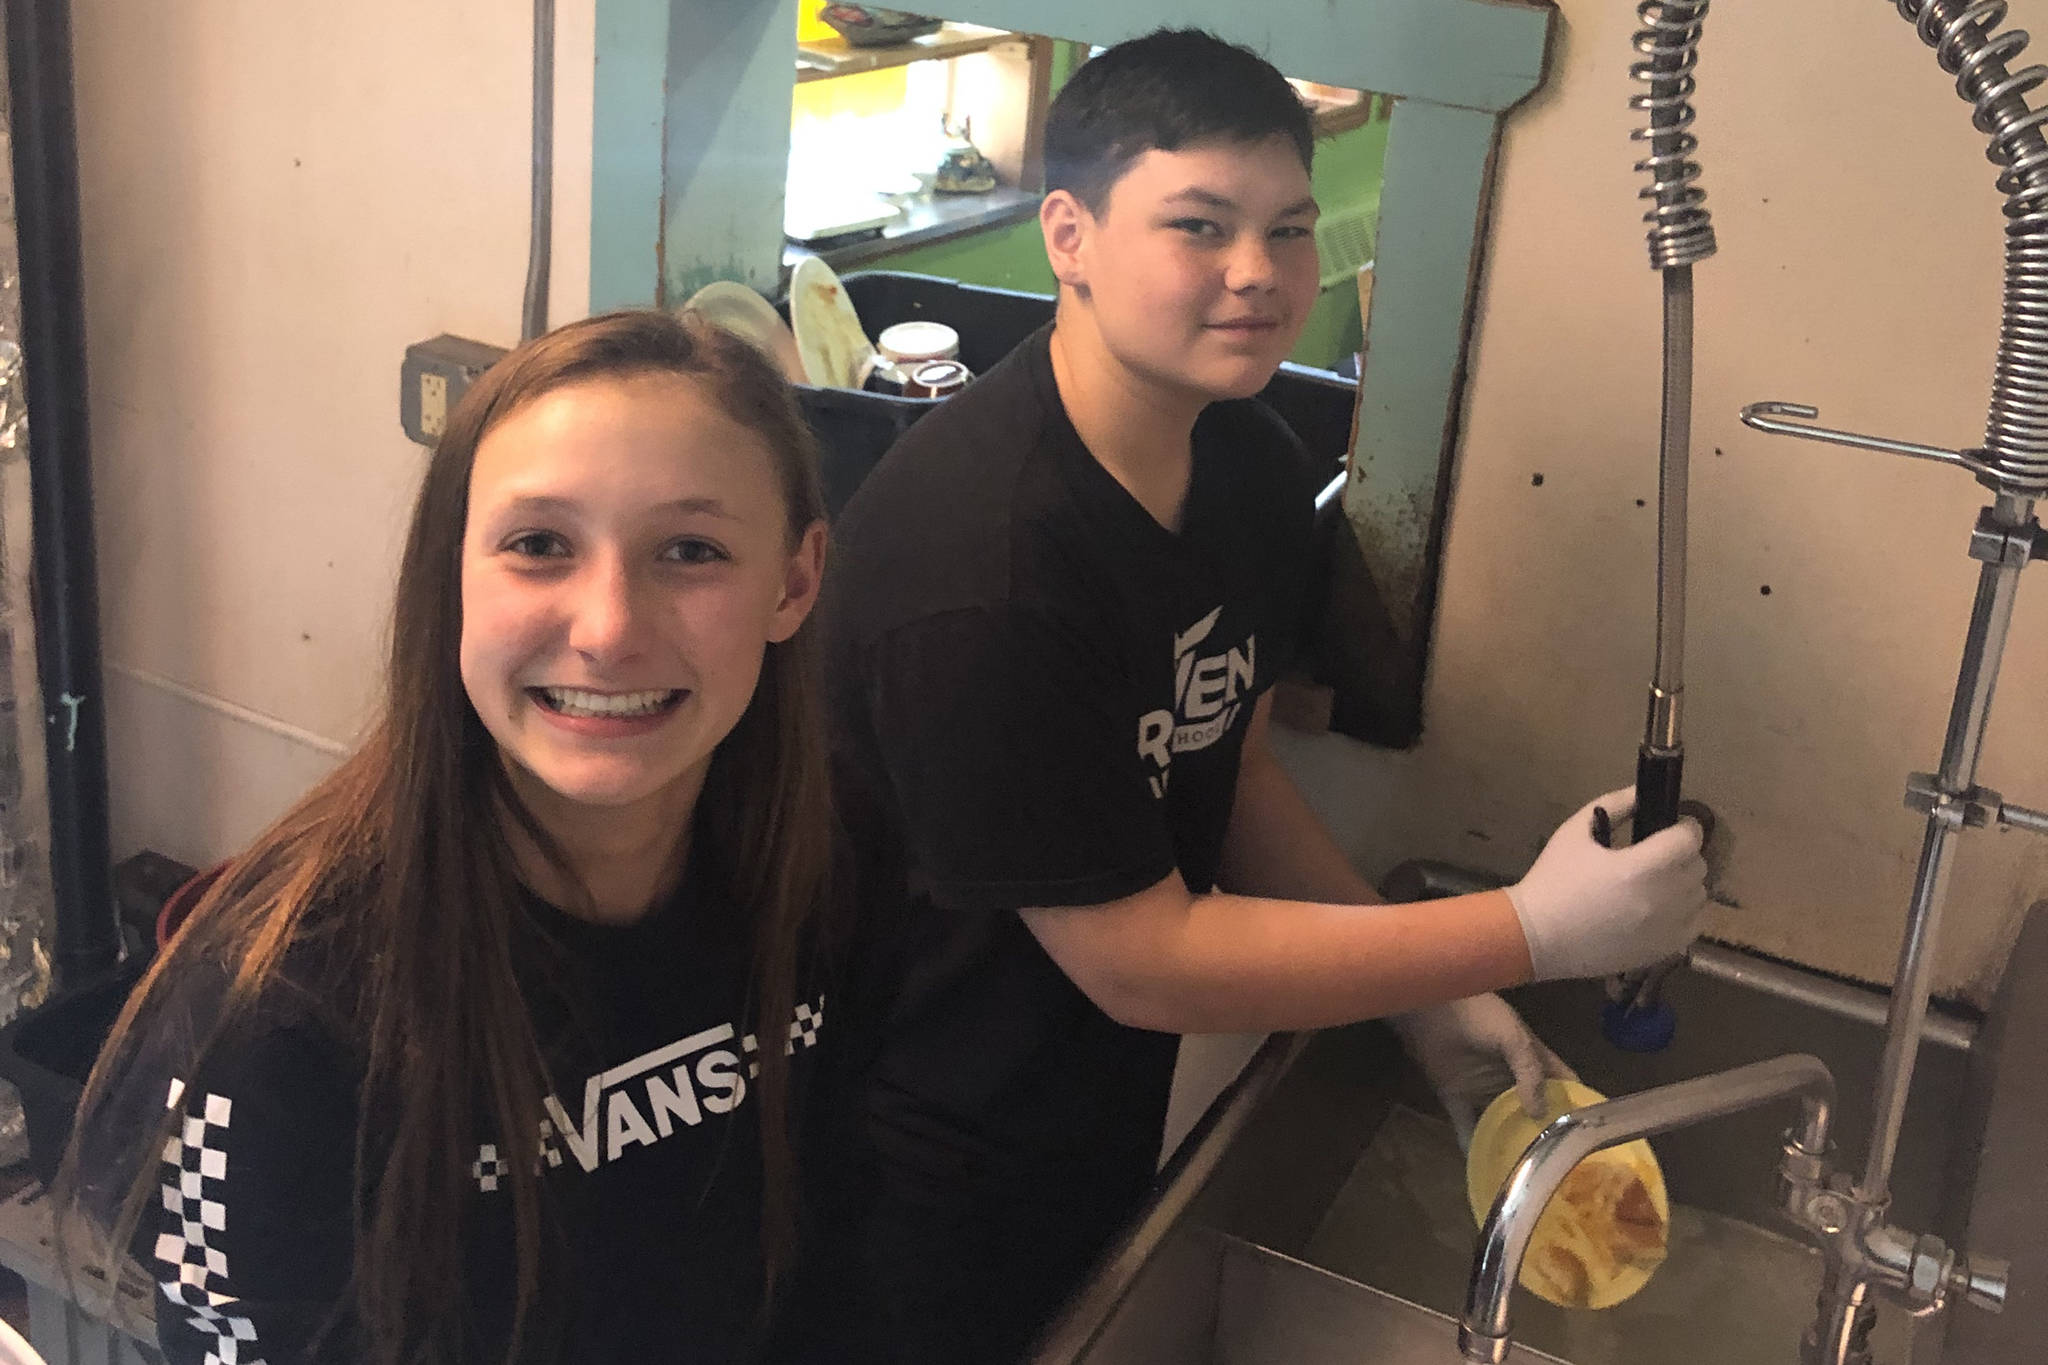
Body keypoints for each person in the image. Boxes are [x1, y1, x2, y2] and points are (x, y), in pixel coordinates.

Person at [819, 28, 1710, 1362]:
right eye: (1199, 225)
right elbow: (1140, 960)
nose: (1259, 273)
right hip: (907, 1134)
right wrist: (1518, 936)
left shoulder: (1245, 462)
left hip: (1086, 1094)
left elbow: (1222, 764)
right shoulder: (985, 570)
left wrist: (1427, 1006)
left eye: (1288, 229)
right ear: (1069, 236)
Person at [56, 310, 837, 1364]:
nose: (609, 629)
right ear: (450, 574)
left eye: (690, 551)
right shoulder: (276, 1024)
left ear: (794, 580)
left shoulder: (828, 864)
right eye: (539, 546)